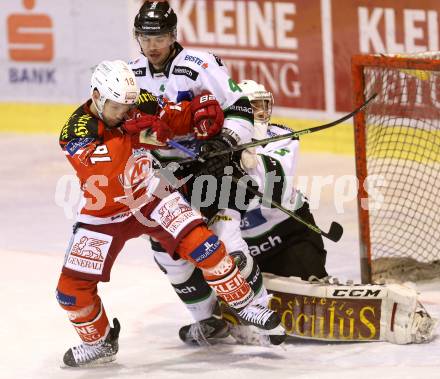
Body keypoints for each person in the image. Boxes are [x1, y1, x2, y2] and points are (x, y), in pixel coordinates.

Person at [55, 60, 285, 367]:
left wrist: (202, 117)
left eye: (128, 106)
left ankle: (243, 304)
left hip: (151, 194)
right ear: (96, 96)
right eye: (116, 107)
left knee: (205, 245)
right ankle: (98, 343)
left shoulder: (136, 105)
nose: (124, 112)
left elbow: (173, 117)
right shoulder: (75, 131)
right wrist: (134, 136)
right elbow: (107, 170)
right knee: (70, 291)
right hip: (105, 210)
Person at [128, 0, 282, 343]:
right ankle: (206, 319)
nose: (153, 46)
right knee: (168, 254)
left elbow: (239, 106)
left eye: (160, 37)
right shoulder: (132, 73)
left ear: (173, 35)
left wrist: (225, 139)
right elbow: (123, 124)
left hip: (209, 167)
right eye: (145, 38)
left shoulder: (199, 64)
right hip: (164, 176)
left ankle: (262, 313)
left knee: (227, 244)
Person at [154, 80, 329, 345]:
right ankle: (209, 318)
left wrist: (244, 162)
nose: (259, 114)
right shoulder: (211, 150)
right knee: (179, 251)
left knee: (309, 280)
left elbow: (276, 190)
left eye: (262, 106)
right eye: (252, 108)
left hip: (288, 238)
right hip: (244, 248)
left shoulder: (282, 136)